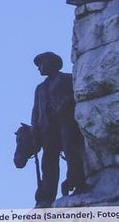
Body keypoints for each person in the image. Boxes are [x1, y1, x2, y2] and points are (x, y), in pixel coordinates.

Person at [30, 52, 87, 209]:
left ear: (52, 63)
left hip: (67, 124)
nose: (39, 68)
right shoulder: (40, 89)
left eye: (41, 64)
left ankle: (77, 183)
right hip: (48, 130)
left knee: (72, 153)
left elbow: (76, 97)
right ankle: (46, 197)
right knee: (48, 163)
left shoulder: (68, 79)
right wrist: (35, 128)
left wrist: (65, 104)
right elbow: (35, 111)